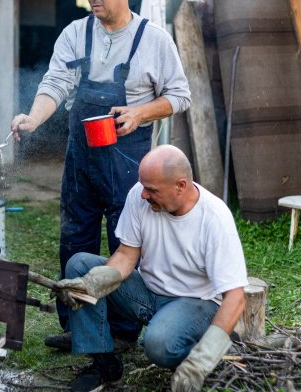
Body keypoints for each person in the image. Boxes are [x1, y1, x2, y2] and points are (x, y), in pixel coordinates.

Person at [10, 0, 191, 350]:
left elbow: (179, 96)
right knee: (75, 239)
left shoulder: (154, 40)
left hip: (129, 162)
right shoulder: (76, 34)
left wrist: (140, 113)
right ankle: (78, 327)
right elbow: (56, 83)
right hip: (82, 161)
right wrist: (33, 118)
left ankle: (123, 331)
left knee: (127, 241)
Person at [53, 145, 248, 392]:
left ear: (180, 186)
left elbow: (236, 297)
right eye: (143, 186)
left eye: (152, 190)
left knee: (158, 345)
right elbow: (126, 255)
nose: (144, 194)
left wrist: (203, 359)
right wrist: (91, 284)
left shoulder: (215, 218)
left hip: (196, 303)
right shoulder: (139, 194)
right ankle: (104, 365)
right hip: (148, 293)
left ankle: (208, 354)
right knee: (79, 265)